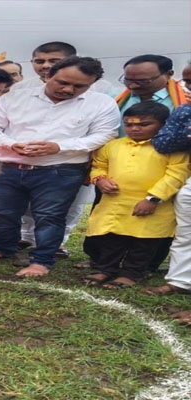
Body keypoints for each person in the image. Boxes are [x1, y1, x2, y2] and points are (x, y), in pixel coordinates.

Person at [0, 56, 121, 277]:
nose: (68, 89)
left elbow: (104, 135)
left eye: (79, 86)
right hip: (8, 167)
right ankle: (3, 248)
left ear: (92, 84)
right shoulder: (15, 98)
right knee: (3, 212)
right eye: (62, 82)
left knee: (50, 216)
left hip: (60, 170)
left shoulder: (101, 103)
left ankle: (42, 260)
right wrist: (12, 144)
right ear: (48, 75)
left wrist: (58, 147)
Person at [80, 54, 188, 269]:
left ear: (168, 75)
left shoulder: (182, 103)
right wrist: (100, 174)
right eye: (128, 79)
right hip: (116, 167)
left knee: (155, 220)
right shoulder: (117, 98)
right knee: (107, 215)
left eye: (142, 81)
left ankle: (144, 265)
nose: (133, 85)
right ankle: (100, 260)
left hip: (161, 170)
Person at [82, 102, 189, 289]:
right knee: (111, 239)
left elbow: (176, 174)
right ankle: (106, 269)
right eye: (129, 124)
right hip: (115, 203)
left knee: (144, 242)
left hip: (153, 205)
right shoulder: (113, 145)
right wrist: (100, 179)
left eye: (144, 124)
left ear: (164, 124)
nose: (135, 129)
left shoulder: (170, 149)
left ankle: (132, 273)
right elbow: (99, 165)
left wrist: (152, 199)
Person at [143, 101, 191, 326]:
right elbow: (163, 142)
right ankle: (180, 280)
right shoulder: (185, 110)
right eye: (189, 82)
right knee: (185, 234)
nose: (189, 87)